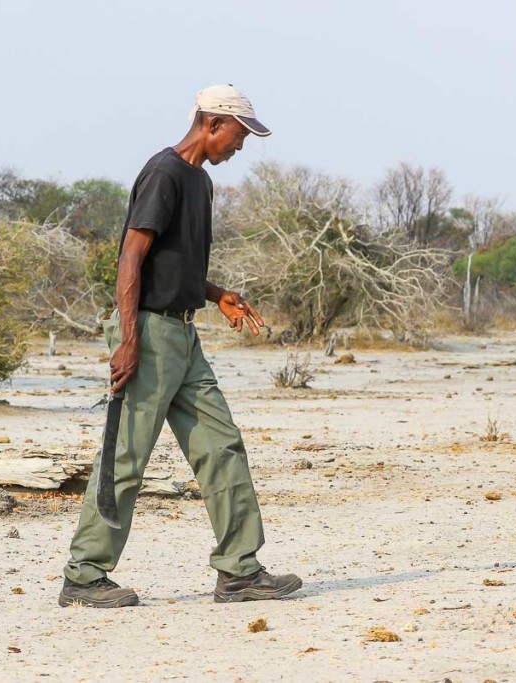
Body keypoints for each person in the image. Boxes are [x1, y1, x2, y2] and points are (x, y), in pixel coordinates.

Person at [58, 84, 301, 607]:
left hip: (184, 336)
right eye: (239, 134)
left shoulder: (201, 183)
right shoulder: (164, 173)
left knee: (222, 446)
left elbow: (177, 263)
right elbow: (131, 260)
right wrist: (127, 340)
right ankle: (83, 576)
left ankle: (240, 570)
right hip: (147, 332)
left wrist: (216, 295)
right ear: (213, 123)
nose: (241, 146)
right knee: (126, 456)